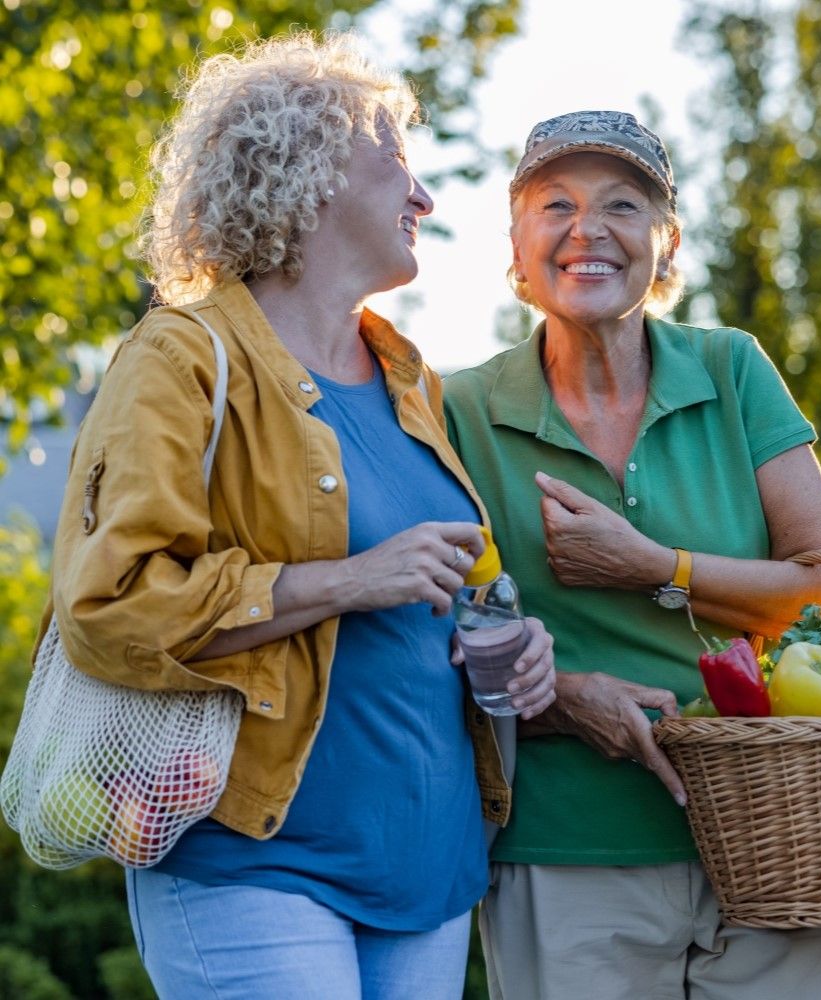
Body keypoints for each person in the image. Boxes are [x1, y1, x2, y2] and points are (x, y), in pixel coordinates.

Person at [45, 33, 555, 1000]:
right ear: (308, 173)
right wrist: (349, 582)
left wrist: (508, 640)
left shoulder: (413, 380)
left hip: (429, 867)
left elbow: (441, 589)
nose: (424, 197)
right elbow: (108, 605)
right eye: (397, 163)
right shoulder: (183, 357)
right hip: (252, 855)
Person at [442, 109, 821, 1000]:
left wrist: (654, 565)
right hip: (571, 851)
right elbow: (427, 635)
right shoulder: (458, 412)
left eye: (624, 205)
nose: (587, 230)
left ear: (665, 245)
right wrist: (560, 700)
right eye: (554, 203)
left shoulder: (730, 371)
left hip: (784, 840)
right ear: (517, 247)